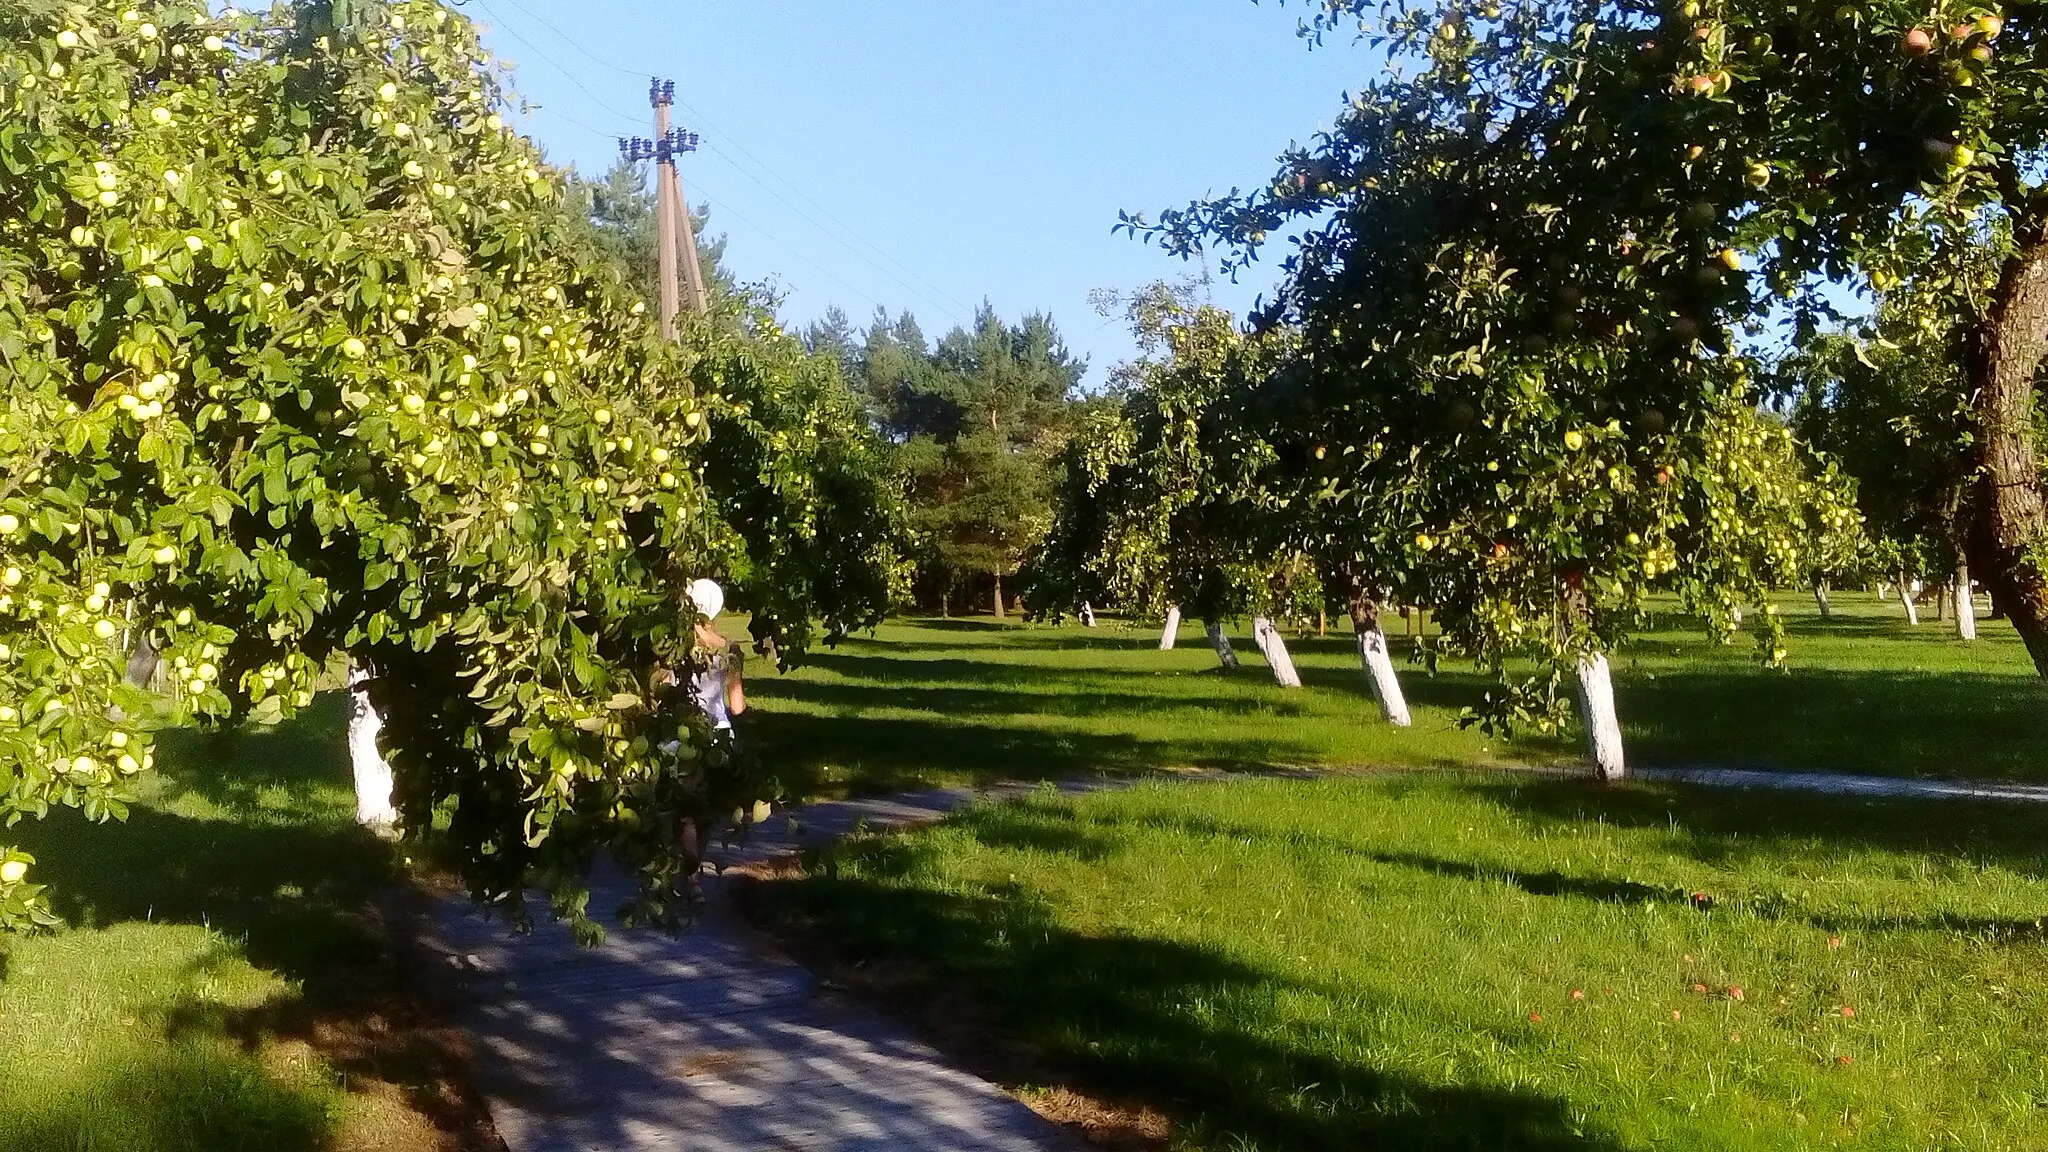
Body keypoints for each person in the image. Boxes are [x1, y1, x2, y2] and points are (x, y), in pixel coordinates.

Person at [684, 577, 745, 734]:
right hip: (718, 729)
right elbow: (737, 707)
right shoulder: (730, 649)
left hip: (680, 730)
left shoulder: (673, 646)